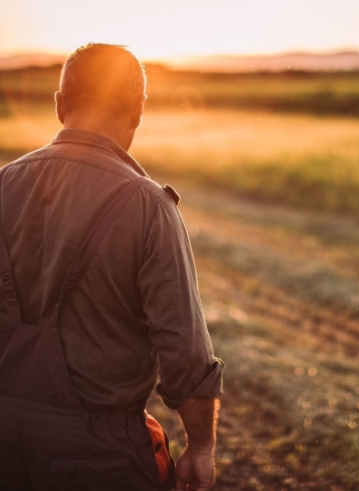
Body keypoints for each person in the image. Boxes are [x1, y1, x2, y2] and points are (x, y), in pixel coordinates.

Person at [0, 43, 223, 491]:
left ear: (60, 105)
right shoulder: (149, 206)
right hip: (99, 457)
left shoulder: (2, 184)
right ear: (138, 112)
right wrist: (199, 449)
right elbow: (185, 352)